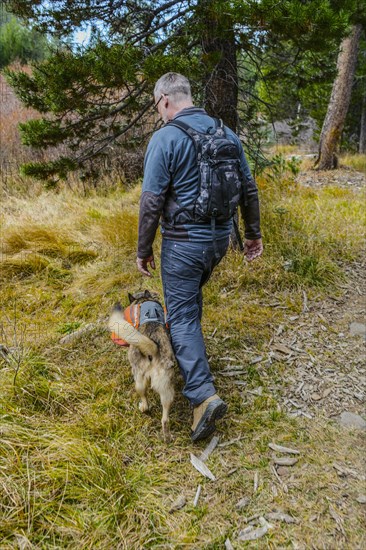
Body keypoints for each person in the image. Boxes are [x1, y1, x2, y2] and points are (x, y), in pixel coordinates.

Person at [136, 72, 263, 442]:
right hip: (219, 242)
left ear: (164, 101)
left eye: (157, 107)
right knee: (187, 306)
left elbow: (151, 201)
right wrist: (252, 234)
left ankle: (202, 397)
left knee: (182, 315)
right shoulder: (225, 133)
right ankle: (186, 358)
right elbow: (249, 188)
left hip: (183, 244)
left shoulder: (166, 138)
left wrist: (143, 251)